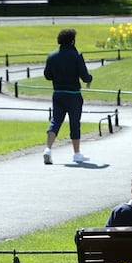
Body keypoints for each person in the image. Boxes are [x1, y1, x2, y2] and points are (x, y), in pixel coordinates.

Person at [43, 28, 93, 164]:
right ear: (72, 40)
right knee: (74, 123)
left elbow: (47, 75)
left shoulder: (52, 56)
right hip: (73, 94)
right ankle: (77, 154)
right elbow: (84, 76)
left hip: (58, 93)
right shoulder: (76, 55)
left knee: (55, 121)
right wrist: (90, 79)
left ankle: (48, 149)